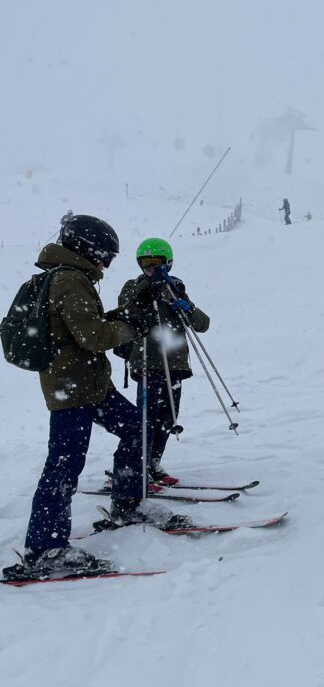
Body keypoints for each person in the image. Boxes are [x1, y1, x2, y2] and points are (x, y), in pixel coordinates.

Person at [3, 215, 157, 582]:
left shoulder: (70, 277)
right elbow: (92, 336)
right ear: (90, 249)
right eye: (107, 256)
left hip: (90, 386)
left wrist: (124, 317)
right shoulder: (70, 279)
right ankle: (45, 549)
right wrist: (129, 327)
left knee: (137, 429)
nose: (107, 264)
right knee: (63, 464)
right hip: (71, 390)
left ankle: (126, 504)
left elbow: (85, 327)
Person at [117, 238, 210, 485]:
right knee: (146, 418)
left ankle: (153, 462)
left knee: (168, 418)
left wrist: (187, 307)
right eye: (146, 263)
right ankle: (137, 467)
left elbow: (203, 324)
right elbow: (125, 312)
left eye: (156, 263)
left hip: (176, 364)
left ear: (168, 263)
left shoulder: (176, 287)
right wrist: (146, 291)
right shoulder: (133, 286)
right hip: (148, 362)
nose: (151, 268)